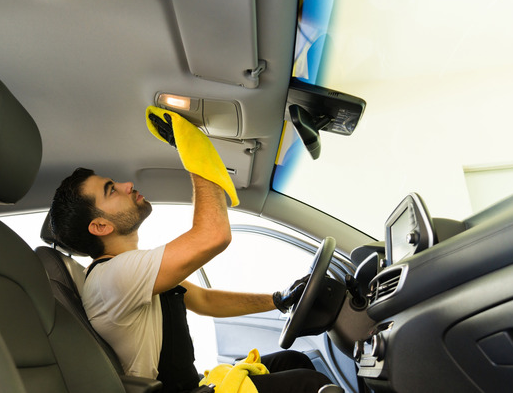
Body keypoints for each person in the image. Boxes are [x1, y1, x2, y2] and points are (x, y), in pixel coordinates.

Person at [46, 116, 333, 393]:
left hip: (191, 386)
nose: (127, 185)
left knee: (292, 361)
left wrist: (278, 300)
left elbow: (205, 300)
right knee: (309, 385)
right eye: (111, 190)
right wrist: (193, 149)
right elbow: (213, 235)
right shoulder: (112, 277)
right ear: (100, 226)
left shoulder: (127, 272)